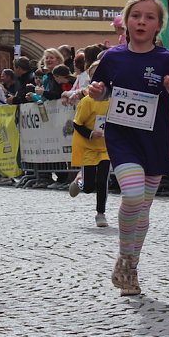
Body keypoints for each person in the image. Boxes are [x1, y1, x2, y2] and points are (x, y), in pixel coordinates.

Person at [88, 0, 169, 296]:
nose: (141, 21)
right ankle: (125, 256)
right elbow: (100, 91)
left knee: (144, 207)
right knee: (134, 195)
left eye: (149, 17)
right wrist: (97, 92)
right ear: (126, 21)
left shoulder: (168, 60)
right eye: (136, 15)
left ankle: (130, 267)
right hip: (122, 137)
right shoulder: (113, 57)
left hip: (155, 138)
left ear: (158, 25)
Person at [68, 59, 111, 227]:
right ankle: (80, 181)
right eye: (94, 75)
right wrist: (91, 133)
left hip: (106, 148)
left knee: (102, 180)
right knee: (88, 187)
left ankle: (101, 214)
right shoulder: (87, 101)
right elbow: (77, 124)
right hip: (88, 147)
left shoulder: (113, 99)